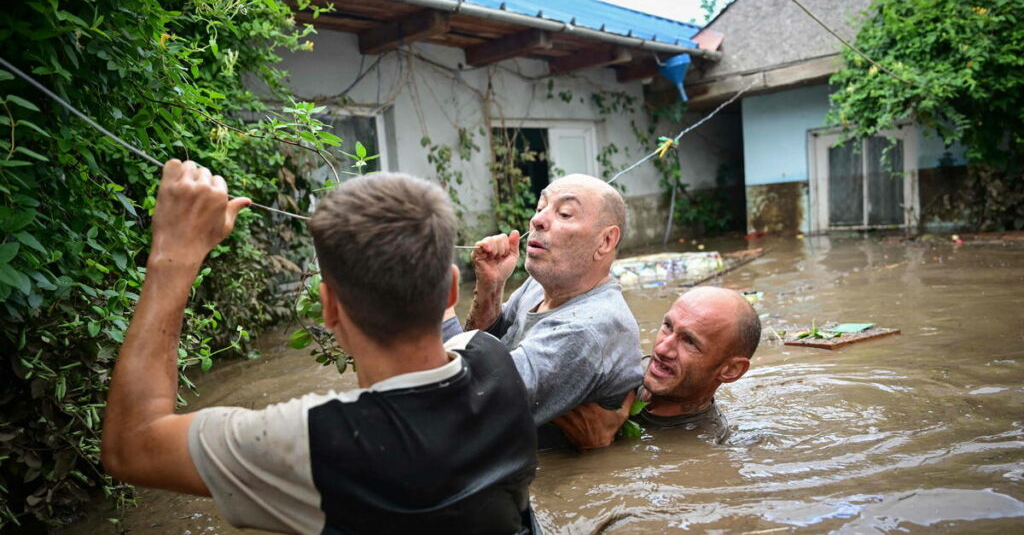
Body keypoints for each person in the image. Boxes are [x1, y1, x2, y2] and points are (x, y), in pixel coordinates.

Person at [101, 161, 538, 534]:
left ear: (328, 307)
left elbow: (132, 445)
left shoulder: (315, 440)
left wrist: (171, 257)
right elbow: (457, 346)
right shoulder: (495, 358)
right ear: (451, 291)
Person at [443, 174, 644, 445]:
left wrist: (437, 305)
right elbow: (484, 347)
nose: (537, 220)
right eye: (540, 208)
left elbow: (467, 403)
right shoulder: (540, 286)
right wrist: (490, 288)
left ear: (606, 241)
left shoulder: (587, 327)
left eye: (564, 213)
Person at [553, 286, 761, 447]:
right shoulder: (622, 368)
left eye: (689, 341)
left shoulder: (701, 447)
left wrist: (596, 447)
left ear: (731, 370)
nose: (662, 349)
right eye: (668, 326)